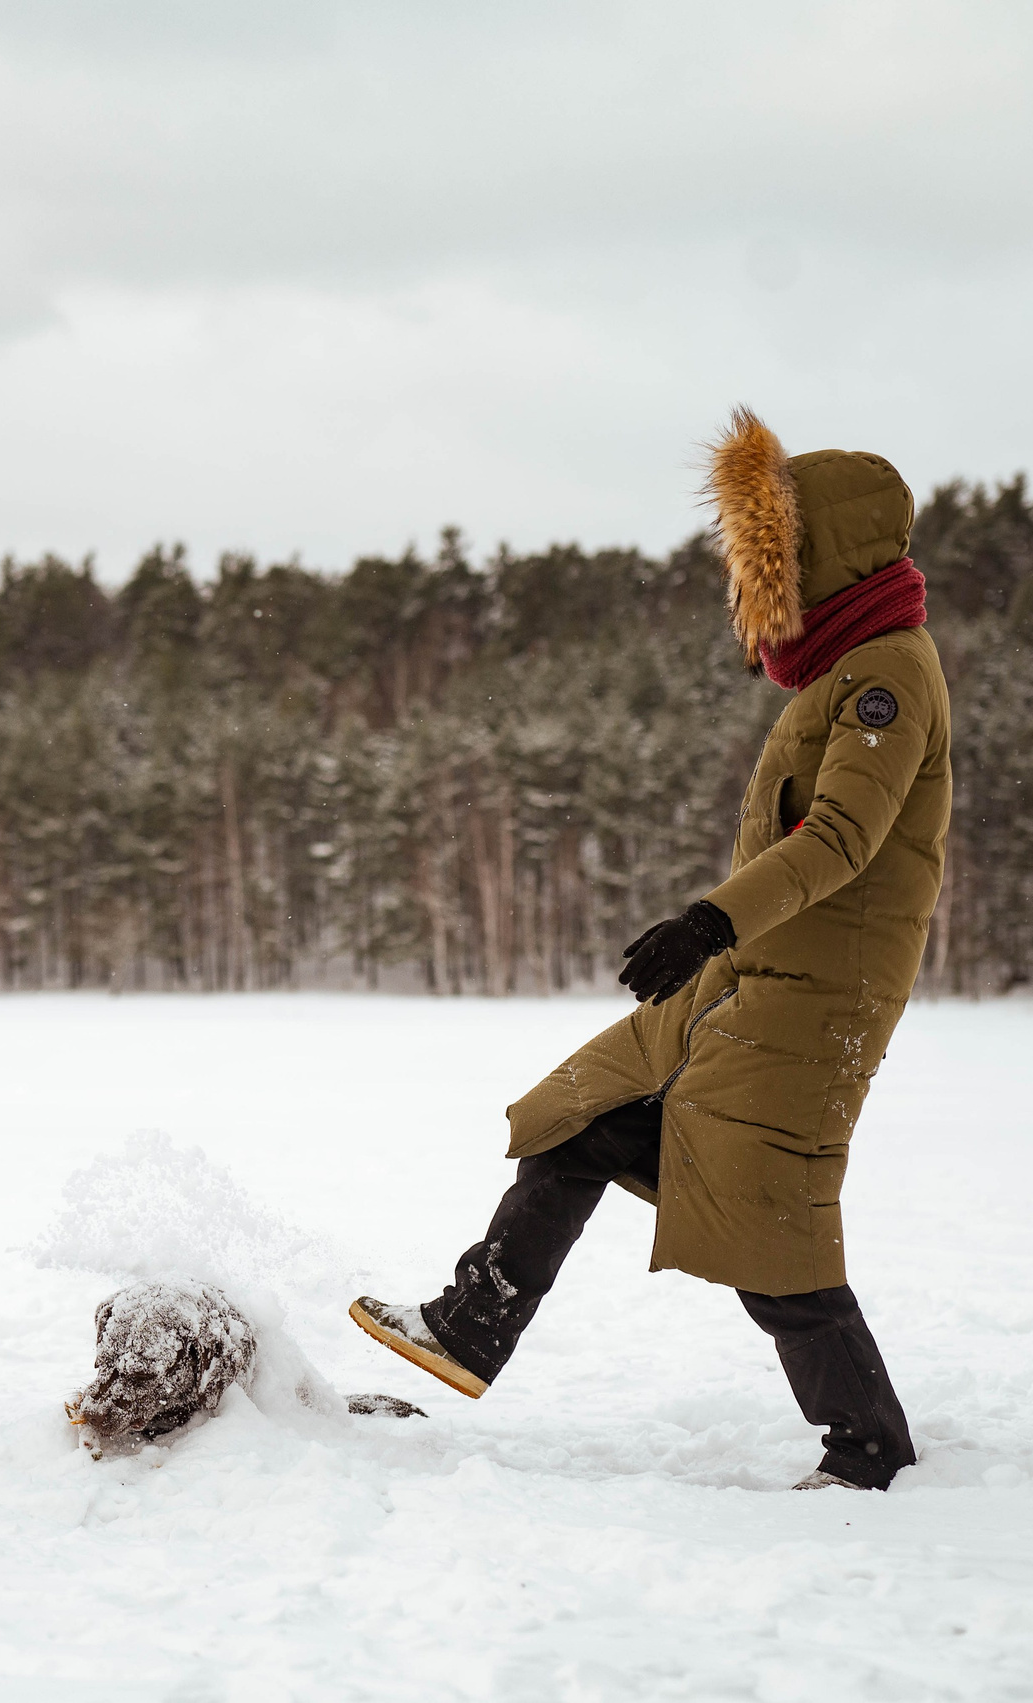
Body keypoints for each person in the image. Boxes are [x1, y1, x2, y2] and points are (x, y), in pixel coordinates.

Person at [350, 408, 948, 1490]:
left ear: (828, 552)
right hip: (747, 988)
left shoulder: (887, 677)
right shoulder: (844, 670)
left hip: (814, 1001)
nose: (762, 583)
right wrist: (718, 946)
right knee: (580, 1115)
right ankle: (470, 1324)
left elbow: (841, 838)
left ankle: (869, 1448)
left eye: (779, 557)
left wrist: (711, 918)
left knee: (765, 1214)